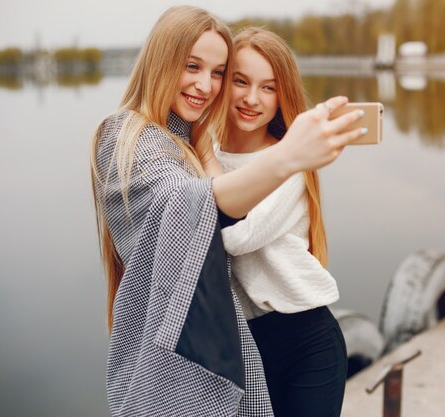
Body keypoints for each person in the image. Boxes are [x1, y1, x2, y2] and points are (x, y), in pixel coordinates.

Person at [90, 6, 365, 417]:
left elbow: (233, 234)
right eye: (194, 66)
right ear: (161, 61)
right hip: (237, 340)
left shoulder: (203, 148)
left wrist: (285, 157)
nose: (206, 84)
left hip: (302, 333)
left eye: (217, 72)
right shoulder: (132, 138)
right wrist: (282, 155)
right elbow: (181, 200)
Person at [207, 27, 349, 417]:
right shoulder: (207, 152)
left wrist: (203, 157)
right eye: (240, 81)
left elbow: (236, 237)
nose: (252, 99)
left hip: (306, 340)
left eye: (268, 88)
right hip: (242, 344)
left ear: (282, 95)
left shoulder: (290, 161)